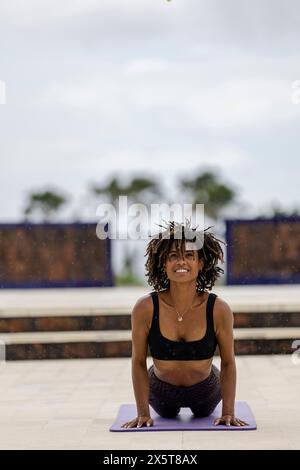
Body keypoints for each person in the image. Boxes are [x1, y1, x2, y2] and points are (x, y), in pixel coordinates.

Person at [122, 221, 248, 428]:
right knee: (167, 413)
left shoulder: (218, 309)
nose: (181, 262)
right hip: (159, 391)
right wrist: (143, 413)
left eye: (189, 255)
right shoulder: (145, 308)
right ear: (164, 263)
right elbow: (137, 362)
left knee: (203, 411)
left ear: (200, 263)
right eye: (173, 256)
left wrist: (228, 412)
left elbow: (228, 363)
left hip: (206, 390)